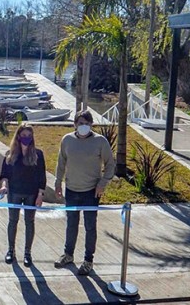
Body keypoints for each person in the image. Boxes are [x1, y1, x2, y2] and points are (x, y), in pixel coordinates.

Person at [53, 109, 115, 276]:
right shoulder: (67, 140)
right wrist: (58, 183)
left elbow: (110, 165)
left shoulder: (100, 141)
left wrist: (102, 184)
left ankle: (88, 260)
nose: (84, 126)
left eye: (87, 123)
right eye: (81, 123)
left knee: (90, 227)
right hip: (71, 190)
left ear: (91, 125)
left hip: (91, 193)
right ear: (75, 124)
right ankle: (68, 254)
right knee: (71, 225)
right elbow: (61, 163)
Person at [0, 122, 46, 267]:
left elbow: (42, 176)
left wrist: (40, 195)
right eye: (24, 135)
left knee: (29, 222)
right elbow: (4, 175)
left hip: (32, 193)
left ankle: (27, 253)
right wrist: (4, 186)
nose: (27, 138)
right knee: (13, 221)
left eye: (29, 135)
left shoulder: (38, 154)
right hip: (14, 192)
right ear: (18, 136)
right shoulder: (10, 154)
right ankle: (11, 250)